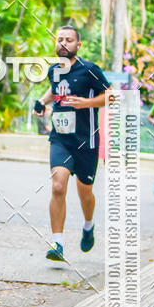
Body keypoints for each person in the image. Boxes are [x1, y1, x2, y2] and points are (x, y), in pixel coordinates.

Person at [33, 25, 111, 262]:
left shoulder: (89, 70)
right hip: (61, 139)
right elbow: (54, 90)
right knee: (58, 186)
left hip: (86, 141)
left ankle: (88, 224)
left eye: (68, 39)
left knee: (85, 192)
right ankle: (57, 243)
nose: (63, 43)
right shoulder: (54, 70)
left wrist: (85, 103)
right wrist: (42, 101)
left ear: (78, 45)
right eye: (60, 39)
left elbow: (111, 95)